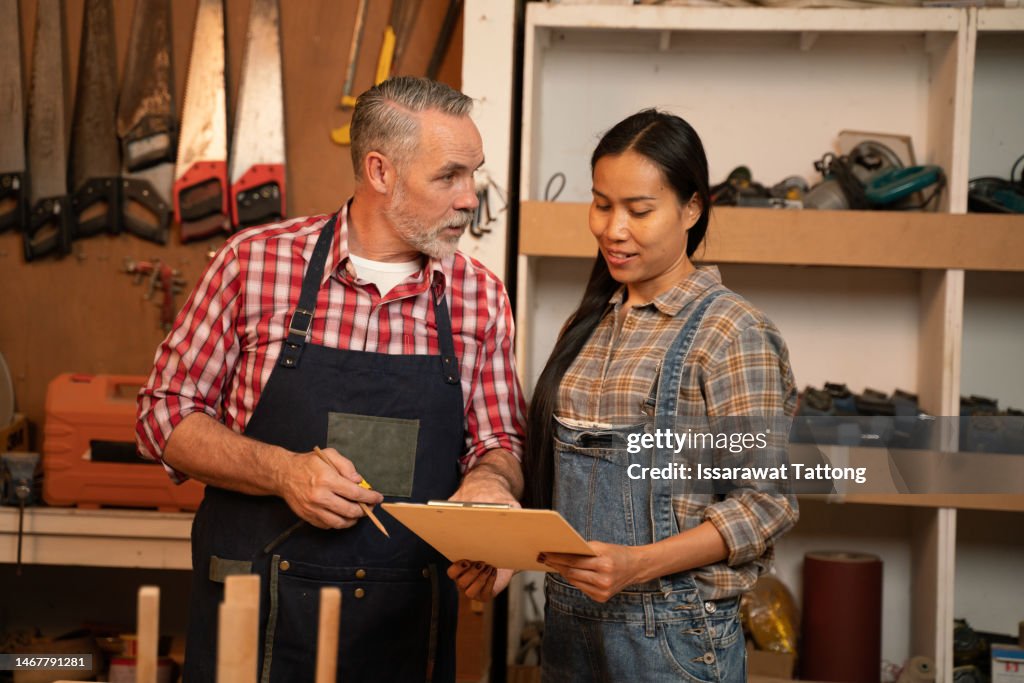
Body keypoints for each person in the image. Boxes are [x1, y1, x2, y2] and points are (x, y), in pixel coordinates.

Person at [136, 76, 525, 683]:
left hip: (404, 626)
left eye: (473, 174)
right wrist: (282, 471)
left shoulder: (479, 296)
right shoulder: (253, 263)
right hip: (255, 617)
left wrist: (492, 490)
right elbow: (162, 418)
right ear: (379, 171)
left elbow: (498, 441)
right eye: (449, 176)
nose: (470, 197)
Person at [526, 109, 797, 681]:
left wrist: (637, 565)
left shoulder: (731, 331)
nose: (612, 229)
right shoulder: (589, 325)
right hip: (569, 627)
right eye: (602, 204)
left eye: (639, 210)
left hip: (673, 637)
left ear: (692, 208)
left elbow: (766, 504)